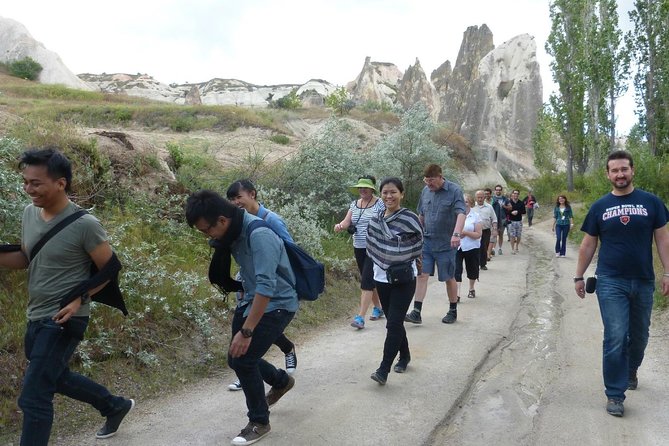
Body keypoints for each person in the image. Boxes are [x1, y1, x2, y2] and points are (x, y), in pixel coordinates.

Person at [0, 148, 133, 445]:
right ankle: (114, 405)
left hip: (64, 317)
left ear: (61, 183)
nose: (28, 189)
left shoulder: (85, 224)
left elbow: (111, 267)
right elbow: (26, 257)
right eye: (25, 182)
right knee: (55, 377)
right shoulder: (29, 213)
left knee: (34, 397)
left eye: (36, 183)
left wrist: (79, 298)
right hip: (35, 314)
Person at [186, 190, 298, 445]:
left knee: (244, 360)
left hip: (277, 304)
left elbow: (267, 288)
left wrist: (247, 331)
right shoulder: (234, 231)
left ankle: (259, 421)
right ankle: (281, 381)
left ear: (223, 221)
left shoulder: (260, 235)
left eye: (207, 230)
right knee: (235, 358)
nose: (208, 236)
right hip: (251, 300)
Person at [574, 150, 669, 418]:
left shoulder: (651, 203)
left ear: (632, 170)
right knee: (616, 336)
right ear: (608, 174)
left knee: (640, 336)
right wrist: (579, 275)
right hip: (610, 281)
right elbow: (588, 243)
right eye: (614, 170)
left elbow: (663, 239)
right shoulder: (600, 207)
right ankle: (614, 394)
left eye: (624, 169)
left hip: (643, 280)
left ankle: (630, 370)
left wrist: (668, 273)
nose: (620, 174)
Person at [224, 179, 298, 392]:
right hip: (250, 287)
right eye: (232, 199)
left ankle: (284, 351)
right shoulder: (237, 223)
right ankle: (248, 371)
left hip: (274, 289)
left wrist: (281, 280)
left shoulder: (270, 220)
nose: (236, 202)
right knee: (250, 340)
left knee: (258, 333)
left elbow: (289, 249)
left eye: (239, 197)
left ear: (252, 194)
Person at [365, 177, 423, 384]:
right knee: (393, 322)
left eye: (393, 192)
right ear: (380, 195)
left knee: (394, 323)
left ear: (401, 194)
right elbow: (372, 246)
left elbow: (416, 242)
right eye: (385, 193)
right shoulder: (376, 219)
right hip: (381, 277)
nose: (389, 196)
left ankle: (383, 369)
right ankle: (405, 355)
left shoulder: (409, 218)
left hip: (405, 278)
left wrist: (396, 247)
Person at [405, 164, 465, 325]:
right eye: (426, 181)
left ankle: (452, 310)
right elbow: (421, 215)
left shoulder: (454, 190)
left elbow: (461, 213)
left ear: (440, 177)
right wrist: (415, 234)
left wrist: (456, 234)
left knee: (448, 277)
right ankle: (416, 312)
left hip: (447, 243)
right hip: (427, 242)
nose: (429, 185)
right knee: (422, 274)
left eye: (431, 181)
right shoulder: (425, 192)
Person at [334, 176, 386, 329]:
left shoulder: (380, 204)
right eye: (360, 187)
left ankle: (360, 317)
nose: (362, 190)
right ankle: (378, 308)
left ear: (372, 189)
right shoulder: (354, 205)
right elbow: (347, 221)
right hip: (359, 246)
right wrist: (339, 226)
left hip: (375, 247)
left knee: (366, 281)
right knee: (369, 279)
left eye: (365, 187)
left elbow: (387, 220)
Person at [455, 194, 482, 299]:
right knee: (456, 270)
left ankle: (471, 288)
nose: (464, 204)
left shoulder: (475, 216)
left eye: (466, 201)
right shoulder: (456, 215)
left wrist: (465, 232)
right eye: (462, 201)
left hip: (472, 247)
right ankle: (456, 294)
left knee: (472, 269)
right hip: (457, 247)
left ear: (470, 203)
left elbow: (478, 234)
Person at [472, 190, 495, 270]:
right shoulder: (472, 207)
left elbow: (494, 219)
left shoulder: (489, 207)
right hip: (474, 230)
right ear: (476, 198)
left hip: (485, 230)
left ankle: (483, 264)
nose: (480, 199)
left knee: (484, 247)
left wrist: (494, 229)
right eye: (478, 197)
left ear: (484, 197)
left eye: (481, 197)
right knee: (475, 247)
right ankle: (475, 263)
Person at [491, 184, 511, 255]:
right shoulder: (492, 199)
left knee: (501, 234)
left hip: (502, 219)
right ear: (495, 191)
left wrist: (504, 206)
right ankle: (493, 248)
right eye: (497, 190)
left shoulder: (505, 199)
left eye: (499, 190)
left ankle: (500, 248)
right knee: (494, 234)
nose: (498, 191)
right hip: (494, 219)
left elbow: (510, 208)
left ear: (501, 191)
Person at [507, 190, 526, 254]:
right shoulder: (509, 202)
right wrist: (511, 212)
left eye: (517, 194)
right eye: (515, 193)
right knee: (512, 235)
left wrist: (518, 212)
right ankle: (512, 249)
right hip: (511, 221)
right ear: (512, 194)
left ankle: (517, 246)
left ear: (518, 195)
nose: (516, 195)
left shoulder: (521, 203)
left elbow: (524, 212)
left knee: (518, 235)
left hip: (519, 221)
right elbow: (506, 211)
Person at [484, 187, 499, 261]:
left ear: (490, 194)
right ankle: (486, 252)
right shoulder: (480, 203)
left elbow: (497, 214)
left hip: (492, 222)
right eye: (485, 194)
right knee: (485, 240)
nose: (486, 195)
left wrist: (496, 225)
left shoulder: (495, 202)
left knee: (491, 239)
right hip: (484, 224)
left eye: (488, 194)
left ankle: (488, 254)